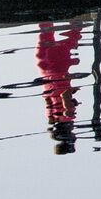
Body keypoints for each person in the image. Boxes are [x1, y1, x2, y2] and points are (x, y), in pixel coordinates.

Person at [36, 20, 82, 153]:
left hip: (59, 69)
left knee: (74, 38)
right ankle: (46, 14)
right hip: (44, 68)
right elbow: (49, 96)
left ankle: (75, 16)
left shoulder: (68, 116)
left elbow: (64, 94)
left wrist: (72, 91)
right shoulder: (51, 117)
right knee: (45, 32)